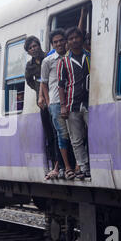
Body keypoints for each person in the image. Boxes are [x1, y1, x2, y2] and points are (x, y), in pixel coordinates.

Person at [41, 28, 76, 180]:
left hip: (72, 99)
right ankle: (64, 167)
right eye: (56, 42)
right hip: (55, 102)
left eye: (61, 40)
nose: (59, 43)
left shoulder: (71, 56)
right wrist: (48, 102)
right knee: (62, 135)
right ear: (52, 44)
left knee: (75, 134)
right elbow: (44, 83)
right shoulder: (48, 61)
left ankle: (73, 166)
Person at [24, 36, 60, 179]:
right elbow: (28, 80)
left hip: (54, 98)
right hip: (43, 103)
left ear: (39, 46)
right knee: (49, 134)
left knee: (58, 132)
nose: (34, 49)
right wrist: (38, 89)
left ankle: (60, 164)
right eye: (31, 47)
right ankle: (54, 163)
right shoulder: (30, 66)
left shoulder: (49, 57)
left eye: (35, 45)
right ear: (28, 51)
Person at [58, 27, 91, 180]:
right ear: (68, 43)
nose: (74, 40)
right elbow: (61, 85)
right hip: (72, 105)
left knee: (93, 135)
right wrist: (63, 106)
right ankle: (84, 168)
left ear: (81, 39)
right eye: (70, 39)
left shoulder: (90, 56)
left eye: (76, 37)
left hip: (90, 102)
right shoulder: (63, 62)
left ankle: (93, 165)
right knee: (76, 139)